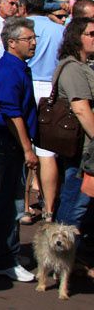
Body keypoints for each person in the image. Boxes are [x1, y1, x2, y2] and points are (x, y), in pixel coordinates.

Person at [0, 17, 39, 282]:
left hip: (10, 142)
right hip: (7, 143)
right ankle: (4, 257)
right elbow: (11, 113)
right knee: (9, 202)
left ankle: (5, 253)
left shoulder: (18, 67)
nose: (34, 43)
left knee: (6, 199)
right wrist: (27, 149)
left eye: (33, 38)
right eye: (28, 39)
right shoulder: (8, 70)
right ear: (12, 42)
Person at [22, 0, 65, 223]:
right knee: (47, 151)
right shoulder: (59, 30)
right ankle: (48, 208)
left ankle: (26, 207)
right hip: (51, 88)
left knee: (26, 148)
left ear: (24, 7)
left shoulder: (19, 29)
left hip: (28, 85)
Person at [51, 16, 94, 228]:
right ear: (77, 38)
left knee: (80, 204)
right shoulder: (73, 69)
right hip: (83, 150)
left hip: (86, 149)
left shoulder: (82, 66)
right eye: (91, 34)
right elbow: (81, 108)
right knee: (75, 204)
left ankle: (73, 255)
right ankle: (60, 259)